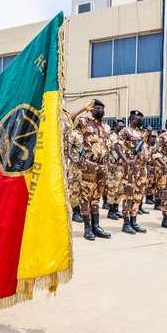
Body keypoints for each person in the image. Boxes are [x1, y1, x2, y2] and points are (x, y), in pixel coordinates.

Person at [73, 99, 112, 240]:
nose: (99, 110)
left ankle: (97, 226)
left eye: (102, 108)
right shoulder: (84, 122)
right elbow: (70, 119)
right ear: (91, 110)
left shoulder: (106, 127)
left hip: (103, 166)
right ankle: (87, 228)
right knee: (85, 196)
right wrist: (84, 108)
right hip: (89, 164)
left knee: (97, 197)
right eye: (96, 108)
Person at [115, 110, 148, 234]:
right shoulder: (126, 131)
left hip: (141, 169)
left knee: (138, 196)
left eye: (140, 118)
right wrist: (126, 160)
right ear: (131, 118)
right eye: (136, 118)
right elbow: (117, 146)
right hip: (130, 169)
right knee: (128, 195)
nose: (139, 120)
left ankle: (134, 221)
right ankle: (126, 223)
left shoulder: (142, 133)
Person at [106, 119, 126, 220]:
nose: (122, 128)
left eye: (123, 126)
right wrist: (109, 164)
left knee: (121, 189)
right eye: (120, 126)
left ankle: (116, 208)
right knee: (112, 189)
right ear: (115, 126)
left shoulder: (124, 138)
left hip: (122, 167)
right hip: (113, 167)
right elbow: (106, 151)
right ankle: (110, 210)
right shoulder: (111, 137)